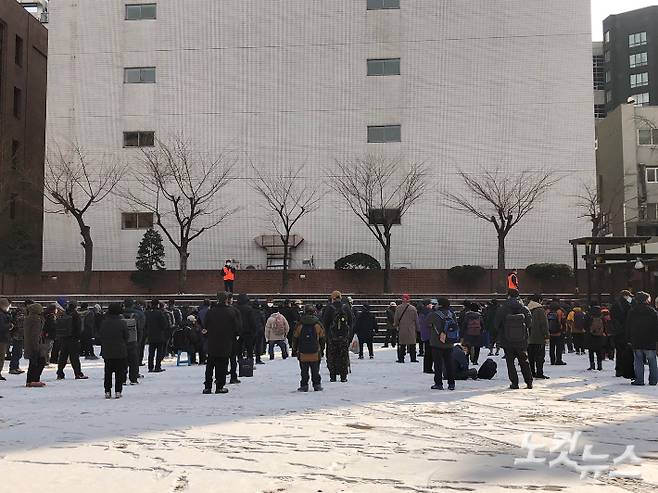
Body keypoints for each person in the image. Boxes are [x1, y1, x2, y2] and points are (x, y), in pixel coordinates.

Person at [203, 292, 240, 394]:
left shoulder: (211, 312)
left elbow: (205, 326)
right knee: (222, 365)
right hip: (226, 342)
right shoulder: (231, 312)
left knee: (210, 365)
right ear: (226, 300)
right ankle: (219, 386)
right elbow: (237, 328)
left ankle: (207, 386)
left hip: (212, 341)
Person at [495, 289, 533, 390]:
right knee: (524, 361)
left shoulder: (503, 309)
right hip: (522, 340)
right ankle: (529, 382)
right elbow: (529, 323)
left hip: (507, 340)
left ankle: (514, 383)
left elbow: (496, 324)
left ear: (508, 296)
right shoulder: (524, 308)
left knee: (510, 363)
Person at [625, 291, 658, 386]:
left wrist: (628, 339)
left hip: (636, 339)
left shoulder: (632, 311)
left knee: (638, 361)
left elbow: (628, 326)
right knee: (652, 361)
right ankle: (653, 380)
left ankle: (639, 380)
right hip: (650, 340)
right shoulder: (652, 311)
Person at [292, 305, 326, 392]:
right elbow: (322, 338)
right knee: (315, 370)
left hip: (303, 352)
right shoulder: (318, 324)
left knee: (304, 371)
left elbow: (295, 338)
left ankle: (304, 385)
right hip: (315, 352)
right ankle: (317, 385)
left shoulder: (300, 324)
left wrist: (294, 350)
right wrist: (322, 350)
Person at [99, 303, 129, 399]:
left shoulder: (104, 322)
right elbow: (126, 336)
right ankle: (118, 391)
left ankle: (107, 391)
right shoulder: (122, 323)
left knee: (108, 372)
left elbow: (101, 335)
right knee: (119, 372)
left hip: (107, 351)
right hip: (120, 351)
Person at [322, 291, 353, 382]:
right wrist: (348, 335)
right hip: (344, 337)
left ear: (333, 298)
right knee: (343, 356)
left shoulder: (329, 308)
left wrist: (327, 336)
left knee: (332, 356)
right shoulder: (346, 307)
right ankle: (343, 377)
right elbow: (351, 322)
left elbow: (325, 323)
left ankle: (333, 376)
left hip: (332, 337)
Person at [427, 298, 456, 390]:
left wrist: (432, 310)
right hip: (449, 342)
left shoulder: (434, 314)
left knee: (438, 364)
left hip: (437, 343)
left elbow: (427, 323)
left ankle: (438, 383)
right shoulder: (451, 314)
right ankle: (451, 383)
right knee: (449, 364)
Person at [56, 301, 88, 380]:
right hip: (73, 339)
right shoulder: (75, 315)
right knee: (74, 358)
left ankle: (60, 373)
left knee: (63, 357)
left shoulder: (64, 314)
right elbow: (78, 327)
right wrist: (78, 337)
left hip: (64, 338)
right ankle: (78, 373)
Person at [23, 303, 47, 387]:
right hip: (36, 344)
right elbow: (35, 334)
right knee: (40, 362)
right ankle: (34, 379)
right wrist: (36, 346)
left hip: (30, 344)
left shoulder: (28, 318)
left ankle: (30, 380)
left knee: (33, 363)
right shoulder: (36, 320)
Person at [527, 295, 550, 379]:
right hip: (538, 337)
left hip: (528, 337)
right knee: (539, 357)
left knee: (531, 357)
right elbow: (544, 324)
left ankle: (531, 372)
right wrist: (546, 336)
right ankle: (539, 373)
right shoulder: (540, 310)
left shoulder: (527, 309)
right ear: (539, 300)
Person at [611, 290, 633, 377]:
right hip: (625, 332)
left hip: (617, 332)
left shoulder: (615, 305)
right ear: (625, 296)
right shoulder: (628, 305)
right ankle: (624, 370)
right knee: (626, 351)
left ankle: (618, 369)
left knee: (619, 351)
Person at [394, 294, 418, 363]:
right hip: (411, 328)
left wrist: (396, 325)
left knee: (402, 344)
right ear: (408, 300)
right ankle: (413, 358)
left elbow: (396, 319)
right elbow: (416, 319)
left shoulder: (398, 308)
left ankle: (401, 359)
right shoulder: (413, 308)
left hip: (402, 328)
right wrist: (417, 328)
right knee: (412, 345)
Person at [145, 300, 168, 373]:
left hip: (151, 335)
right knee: (159, 352)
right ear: (157, 305)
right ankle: (157, 366)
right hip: (159, 335)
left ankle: (150, 367)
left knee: (151, 352)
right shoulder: (160, 313)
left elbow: (145, 324)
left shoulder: (147, 313)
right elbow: (164, 324)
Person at [585, 306, 607, 371]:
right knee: (599, 352)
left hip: (590, 336)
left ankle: (592, 365)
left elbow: (585, 325)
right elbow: (605, 326)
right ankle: (599, 366)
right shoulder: (601, 317)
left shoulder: (589, 316)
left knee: (591, 352)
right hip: (599, 336)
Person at [236, 294, 257, 361]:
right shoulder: (249, 309)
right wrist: (254, 330)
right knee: (249, 347)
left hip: (238, 331)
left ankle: (240, 359)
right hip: (247, 331)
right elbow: (252, 321)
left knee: (239, 347)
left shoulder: (235, 308)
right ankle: (250, 360)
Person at [8, 301, 27, 374]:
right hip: (18, 335)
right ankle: (13, 368)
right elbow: (19, 324)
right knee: (16, 352)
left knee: (18, 352)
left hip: (20, 335)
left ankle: (16, 366)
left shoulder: (22, 312)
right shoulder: (21, 312)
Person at [547, 301, 567, 366]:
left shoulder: (548, 312)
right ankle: (558, 360)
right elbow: (563, 321)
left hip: (550, 332)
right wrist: (564, 330)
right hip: (558, 332)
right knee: (559, 347)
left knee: (551, 347)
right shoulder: (559, 312)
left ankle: (552, 360)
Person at [417, 299, 434, 374]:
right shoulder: (429, 312)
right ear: (428, 305)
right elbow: (430, 323)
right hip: (430, 334)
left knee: (427, 352)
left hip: (424, 334)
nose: (432, 305)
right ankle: (428, 368)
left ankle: (426, 368)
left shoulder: (421, 312)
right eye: (430, 304)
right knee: (430, 352)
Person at [0, 298, 13, 381]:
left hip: (3, 337)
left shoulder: (4, 314)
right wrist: (10, 326)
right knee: (1, 357)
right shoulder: (2, 314)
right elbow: (1, 327)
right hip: (1, 338)